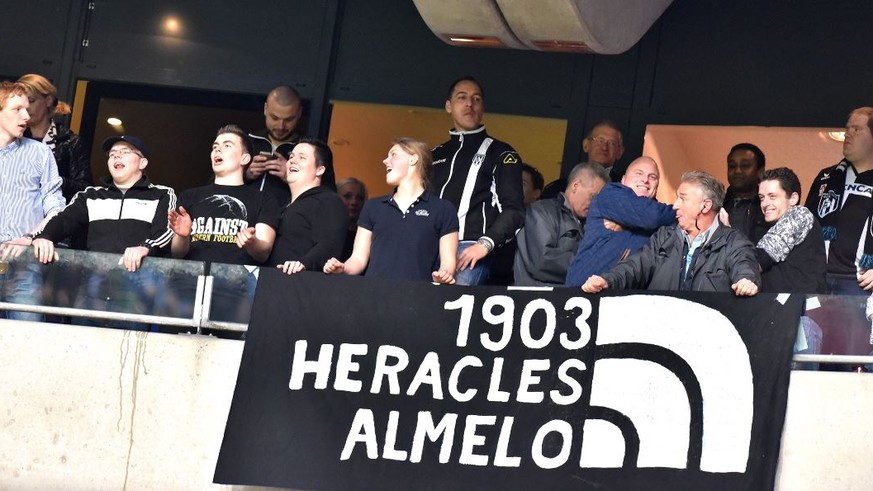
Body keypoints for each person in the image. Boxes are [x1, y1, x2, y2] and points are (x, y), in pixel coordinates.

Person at [581, 171, 760, 296]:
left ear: (705, 205)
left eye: (682, 198)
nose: (675, 205)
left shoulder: (733, 241)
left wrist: (746, 280)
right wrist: (607, 280)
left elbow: (744, 266)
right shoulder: (663, 237)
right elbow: (635, 267)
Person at [431, 76, 524, 285]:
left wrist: (484, 244)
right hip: (427, 246)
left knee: (453, 311)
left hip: (468, 247)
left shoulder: (501, 152)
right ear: (448, 106)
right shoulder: (435, 154)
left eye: (476, 99)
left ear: (483, 107)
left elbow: (514, 210)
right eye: (461, 97)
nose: (469, 104)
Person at [32, 135, 176, 272]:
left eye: (125, 152)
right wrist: (45, 236)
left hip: (141, 280)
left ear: (142, 162)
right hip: (95, 279)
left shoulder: (161, 194)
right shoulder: (90, 196)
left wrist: (145, 248)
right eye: (112, 154)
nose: (116, 156)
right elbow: (64, 220)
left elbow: (166, 232)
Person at [324, 138, 458, 283]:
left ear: (413, 159)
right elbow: (358, 258)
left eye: (393, 155)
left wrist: (444, 276)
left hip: (418, 297)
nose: (385, 161)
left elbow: (448, 263)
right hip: (375, 295)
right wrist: (342, 268)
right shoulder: (373, 207)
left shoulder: (443, 209)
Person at [169, 124, 279, 265]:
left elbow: (263, 253)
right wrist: (182, 236)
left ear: (244, 159)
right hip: (190, 279)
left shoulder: (263, 199)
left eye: (227, 146)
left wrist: (252, 242)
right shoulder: (190, 196)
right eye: (215, 147)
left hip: (237, 282)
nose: (218, 149)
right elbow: (177, 253)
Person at [0, 81, 65, 321]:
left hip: (25, 266)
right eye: (17, 109)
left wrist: (31, 237)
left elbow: (56, 207)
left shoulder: (39, 152)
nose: (26, 116)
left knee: (27, 342)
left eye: (27, 109)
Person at [564, 156, 676, 287]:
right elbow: (652, 216)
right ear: (623, 179)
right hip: (584, 290)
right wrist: (681, 212)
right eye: (638, 173)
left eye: (652, 177)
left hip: (626, 295)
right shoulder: (610, 193)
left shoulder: (663, 215)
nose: (645, 180)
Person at [805, 107, 873, 295]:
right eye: (847, 128)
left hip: (860, 285)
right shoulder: (826, 177)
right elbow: (805, 225)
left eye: (857, 129)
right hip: (818, 279)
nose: (848, 134)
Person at [513, 162, 608, 286]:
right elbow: (542, 261)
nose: (596, 203)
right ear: (575, 186)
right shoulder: (542, 211)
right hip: (536, 299)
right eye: (593, 196)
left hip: (573, 300)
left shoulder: (594, 223)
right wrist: (592, 264)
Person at [245, 86, 335, 206]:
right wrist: (245, 174)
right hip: (244, 218)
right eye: (274, 118)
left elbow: (329, 196)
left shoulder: (313, 149)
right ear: (265, 109)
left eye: (289, 119)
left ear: (299, 113)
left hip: (288, 220)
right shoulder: (247, 141)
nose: (281, 126)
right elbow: (217, 182)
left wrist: (292, 176)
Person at [269, 138, 347, 275]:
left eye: (302, 157)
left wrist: (304, 264)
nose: (292, 161)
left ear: (320, 170)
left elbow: (329, 244)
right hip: (272, 283)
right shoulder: (283, 205)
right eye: (291, 156)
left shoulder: (329, 201)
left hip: (300, 285)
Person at [17, 74, 92, 203]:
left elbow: (85, 189)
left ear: (49, 100)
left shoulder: (70, 141)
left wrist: (54, 180)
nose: (26, 108)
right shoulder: (14, 138)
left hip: (55, 218)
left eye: (31, 101)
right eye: (21, 104)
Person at [754, 167, 826, 293]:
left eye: (772, 196)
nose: (765, 204)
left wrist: (726, 233)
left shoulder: (800, 215)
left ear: (793, 198)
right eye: (761, 198)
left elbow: (759, 259)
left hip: (801, 308)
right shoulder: (767, 224)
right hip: (781, 306)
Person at [724, 143, 767, 242]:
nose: (737, 171)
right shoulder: (716, 204)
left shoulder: (768, 207)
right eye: (732, 166)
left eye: (745, 165)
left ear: (761, 171)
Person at [336, 177, 367, 261]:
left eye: (360, 198)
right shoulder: (326, 234)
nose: (354, 202)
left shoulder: (367, 237)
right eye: (347, 196)